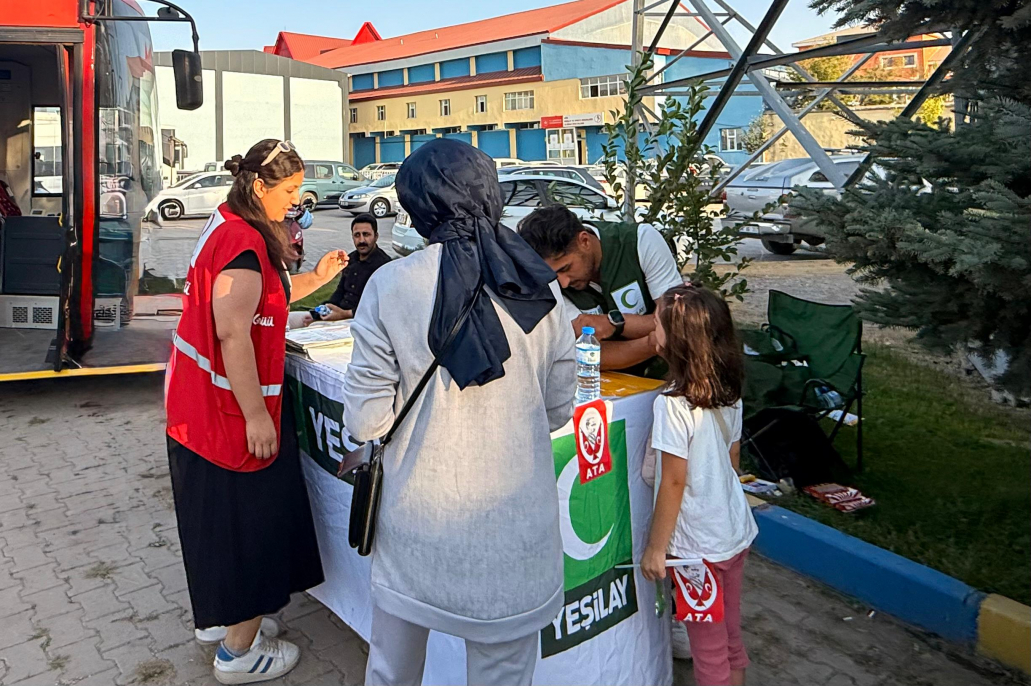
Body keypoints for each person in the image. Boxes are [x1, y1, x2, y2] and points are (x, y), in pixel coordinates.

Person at [342, 138, 575, 686]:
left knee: (392, 672)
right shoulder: (539, 290)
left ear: (416, 205)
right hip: (515, 536)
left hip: (417, 525)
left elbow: (367, 423)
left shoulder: (389, 284)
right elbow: (558, 408)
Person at [165, 139, 350, 684]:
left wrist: (315, 278)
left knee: (216, 525)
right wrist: (256, 415)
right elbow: (231, 330)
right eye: (289, 192)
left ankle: (222, 621)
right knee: (250, 529)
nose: (295, 202)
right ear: (259, 187)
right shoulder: (244, 243)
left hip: (196, 408)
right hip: (223, 411)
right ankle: (238, 653)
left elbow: (262, 303)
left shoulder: (225, 224)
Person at [640, 284, 757, 686]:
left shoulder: (672, 405)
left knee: (707, 653)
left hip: (696, 556)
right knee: (729, 638)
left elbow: (673, 480)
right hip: (733, 534)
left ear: (676, 340)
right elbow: (732, 458)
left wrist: (657, 548)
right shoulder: (728, 391)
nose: (651, 332)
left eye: (655, 324)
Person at [517, 205, 682, 377]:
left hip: (670, 378)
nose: (563, 283)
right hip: (603, 387)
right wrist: (653, 341)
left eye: (566, 267)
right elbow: (588, 354)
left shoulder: (641, 240)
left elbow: (676, 321)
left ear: (585, 241)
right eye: (553, 275)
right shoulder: (551, 285)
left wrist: (614, 323)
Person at [304, 212, 391, 324]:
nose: (361, 240)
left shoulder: (385, 266)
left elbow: (382, 307)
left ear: (376, 236)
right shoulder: (351, 259)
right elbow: (340, 292)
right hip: (338, 316)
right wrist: (320, 312)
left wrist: (344, 314)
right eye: (357, 235)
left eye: (366, 234)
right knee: (300, 320)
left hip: (363, 322)